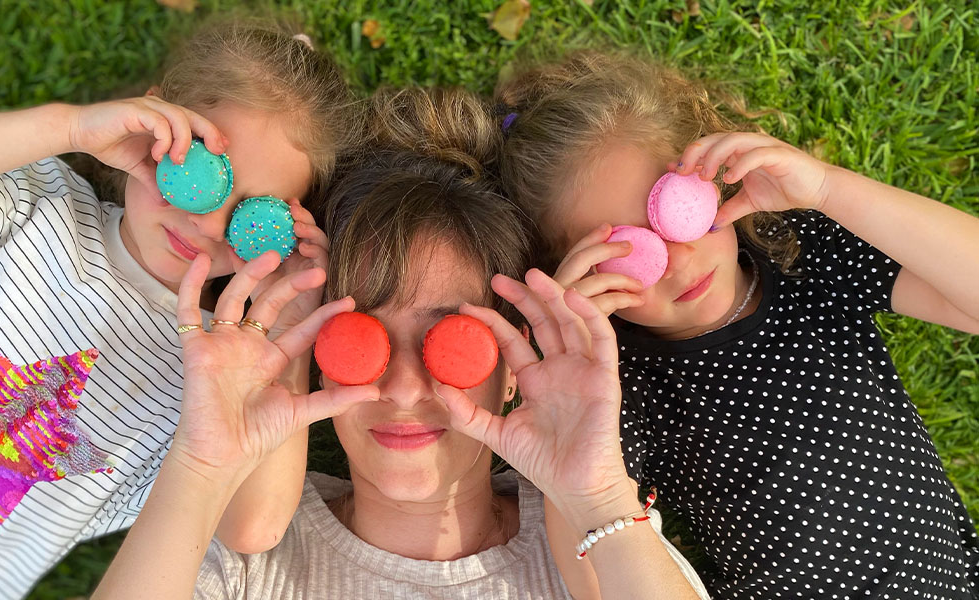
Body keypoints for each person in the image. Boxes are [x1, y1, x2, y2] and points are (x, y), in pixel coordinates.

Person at [92, 87, 710, 599]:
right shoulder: (242, 568)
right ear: (314, 355)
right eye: (359, 340)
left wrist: (598, 498)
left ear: (518, 360)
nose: (404, 390)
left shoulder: (602, 553)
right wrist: (201, 467)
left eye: (455, 342)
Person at [0, 19, 359, 600]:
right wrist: (65, 126)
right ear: (151, 129)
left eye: (252, 217)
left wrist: (285, 338)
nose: (207, 224)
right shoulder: (36, 209)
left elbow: (253, 527)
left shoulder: (222, 372)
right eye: (198, 176)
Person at [494, 49, 979, 598]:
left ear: (710, 180)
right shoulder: (616, 388)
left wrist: (828, 190)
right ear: (571, 278)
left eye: (672, 212)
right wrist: (573, 374)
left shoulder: (800, 253)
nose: (675, 261)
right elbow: (591, 583)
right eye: (623, 254)